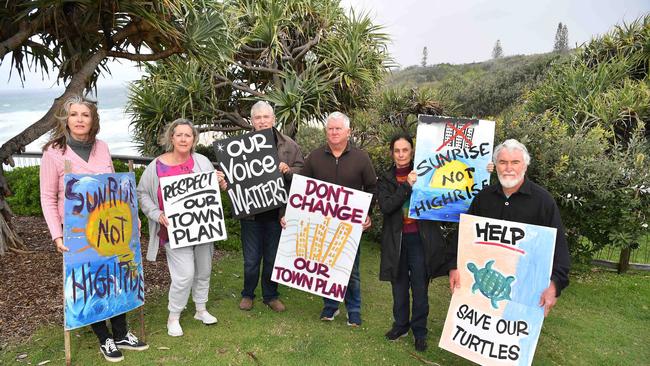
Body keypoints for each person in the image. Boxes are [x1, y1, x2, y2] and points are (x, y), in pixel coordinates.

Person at [40, 95, 148, 362]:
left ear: (93, 120)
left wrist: (132, 219)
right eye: (74, 114)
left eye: (85, 115)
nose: (79, 119)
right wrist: (56, 234)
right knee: (89, 283)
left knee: (117, 277)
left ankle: (122, 333)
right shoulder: (53, 152)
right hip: (78, 235)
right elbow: (48, 197)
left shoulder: (102, 147)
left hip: (112, 229)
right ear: (66, 119)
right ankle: (105, 338)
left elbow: (114, 186)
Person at [450, 138, 571, 316]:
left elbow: (558, 247)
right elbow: (463, 236)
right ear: (495, 165)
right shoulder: (483, 198)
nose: (508, 168)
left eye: (515, 162)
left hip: (525, 289)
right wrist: (453, 266)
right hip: (481, 301)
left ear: (525, 166)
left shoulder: (543, 201)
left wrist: (555, 285)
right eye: (503, 162)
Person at [137, 118, 222, 337]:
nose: (184, 139)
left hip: (203, 229)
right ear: (171, 137)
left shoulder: (202, 161)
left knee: (203, 270)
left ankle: (200, 309)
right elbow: (142, 193)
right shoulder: (156, 165)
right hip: (173, 231)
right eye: (179, 135)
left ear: (194, 139)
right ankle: (173, 316)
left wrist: (220, 182)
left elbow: (209, 192)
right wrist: (157, 214)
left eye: (188, 135)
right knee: (184, 275)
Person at [292, 111, 377, 327]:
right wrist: (288, 214)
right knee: (325, 265)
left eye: (338, 128)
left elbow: (373, 187)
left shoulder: (361, 158)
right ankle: (330, 306)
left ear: (348, 132)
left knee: (352, 269)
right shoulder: (315, 157)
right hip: (322, 225)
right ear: (326, 132)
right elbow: (300, 188)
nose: (334, 132)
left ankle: (354, 309)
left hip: (350, 225)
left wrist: (368, 213)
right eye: (330, 128)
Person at [377, 134, 456, 352]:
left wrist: (481, 173)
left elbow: (454, 188)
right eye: (397, 151)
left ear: (412, 152)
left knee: (420, 289)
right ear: (392, 153)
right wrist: (406, 186)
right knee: (399, 286)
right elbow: (386, 206)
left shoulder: (427, 171)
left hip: (421, 240)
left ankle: (419, 332)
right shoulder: (385, 178)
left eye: (405, 150)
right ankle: (400, 325)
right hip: (396, 241)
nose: (401, 155)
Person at [234, 101, 304, 312]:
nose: (262, 121)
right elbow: (234, 175)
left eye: (266, 117)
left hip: (278, 213)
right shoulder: (240, 146)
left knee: (273, 258)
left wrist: (289, 169)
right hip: (251, 214)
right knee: (251, 260)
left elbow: (303, 170)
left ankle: (271, 295)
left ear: (273, 119)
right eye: (258, 118)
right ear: (252, 121)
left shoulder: (289, 145)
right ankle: (248, 294)